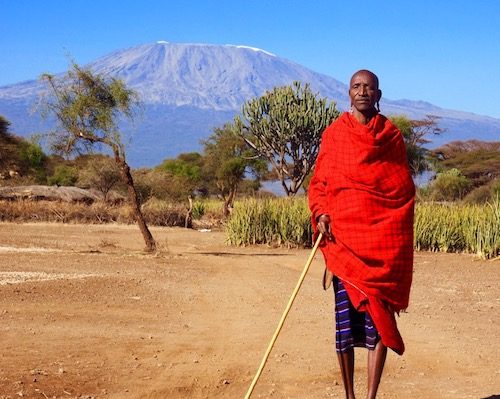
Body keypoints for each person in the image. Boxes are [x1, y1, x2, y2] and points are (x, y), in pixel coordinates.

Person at [308, 69, 415, 399]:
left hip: (381, 248)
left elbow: (400, 190)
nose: (363, 92)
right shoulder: (335, 135)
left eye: (369, 88)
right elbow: (320, 184)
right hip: (344, 246)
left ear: (378, 95)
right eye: (357, 86)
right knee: (344, 328)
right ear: (348, 92)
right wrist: (321, 212)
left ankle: (369, 397)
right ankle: (350, 396)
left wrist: (390, 230)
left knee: (377, 323)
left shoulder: (391, 137)